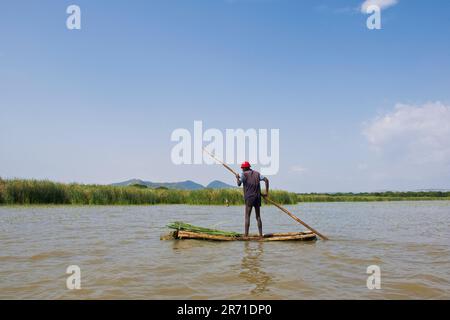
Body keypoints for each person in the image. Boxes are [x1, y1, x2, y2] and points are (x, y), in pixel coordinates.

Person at [236, 161, 269, 237]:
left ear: (246, 168)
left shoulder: (244, 174)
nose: (242, 169)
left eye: (242, 168)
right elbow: (266, 180)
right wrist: (266, 193)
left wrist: (237, 178)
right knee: (258, 217)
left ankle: (246, 235)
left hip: (249, 198)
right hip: (257, 197)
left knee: (247, 216)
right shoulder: (257, 174)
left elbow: (239, 184)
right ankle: (261, 235)